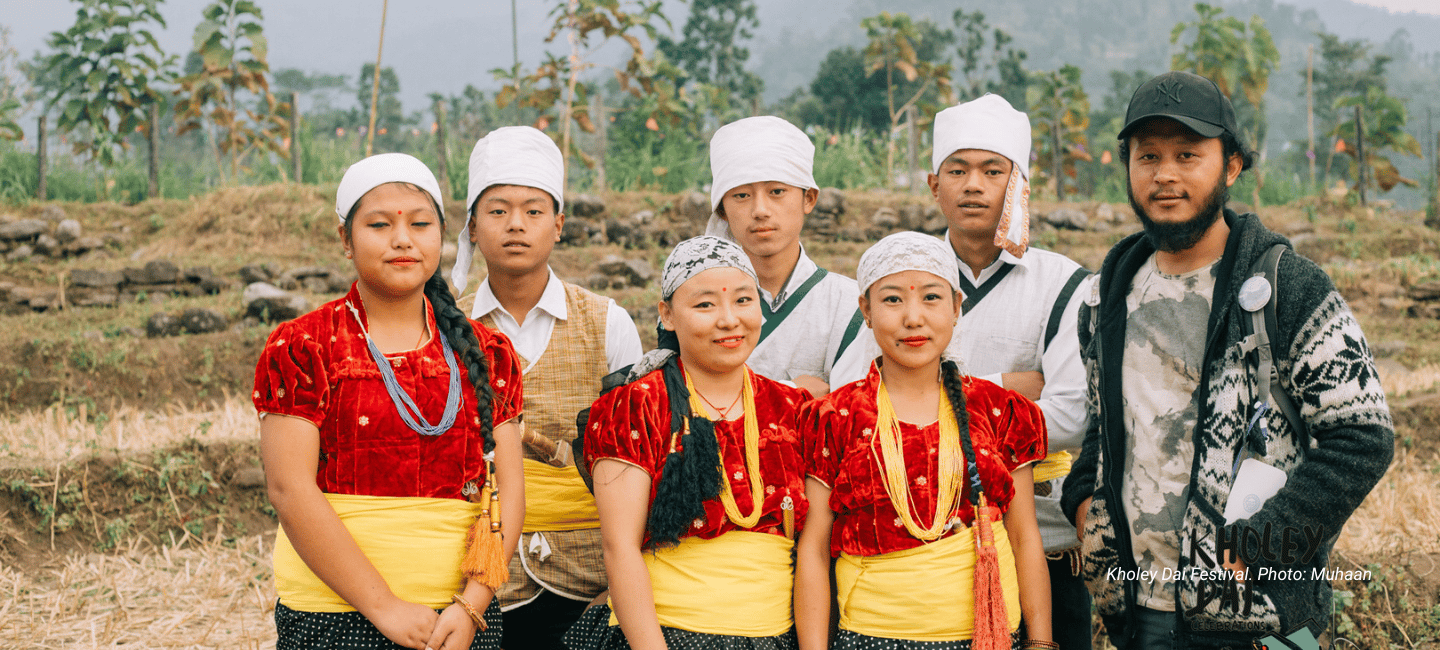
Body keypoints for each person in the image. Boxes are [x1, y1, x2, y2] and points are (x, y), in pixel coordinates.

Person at [1059, 71, 1394, 647]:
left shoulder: (1287, 286)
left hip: (1258, 618)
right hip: (1138, 612)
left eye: (1187, 154)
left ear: (1231, 166)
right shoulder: (1104, 295)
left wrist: (1264, 542)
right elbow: (1103, 427)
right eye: (1148, 156)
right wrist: (1086, 505)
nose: (1165, 174)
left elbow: (1363, 436)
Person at [830, 94, 1094, 648]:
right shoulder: (905, 273)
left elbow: (1069, 417)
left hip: (1042, 553)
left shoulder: (1065, 285)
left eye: (992, 170)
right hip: (900, 572)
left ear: (1018, 182)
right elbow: (849, 399)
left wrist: (936, 392)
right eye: (958, 169)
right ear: (934, 184)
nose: (973, 184)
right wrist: (1014, 390)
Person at [254, 153, 525, 650]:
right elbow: (288, 489)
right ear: (345, 239)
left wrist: (470, 607)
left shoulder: (488, 353)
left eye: (420, 224)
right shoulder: (303, 346)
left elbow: (508, 495)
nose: (403, 239)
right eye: (380, 224)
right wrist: (385, 608)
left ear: (441, 236)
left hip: (460, 621)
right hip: (334, 613)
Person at [797, 231, 1054, 650]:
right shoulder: (834, 418)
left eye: (931, 298)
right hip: (871, 638)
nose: (913, 318)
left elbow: (1025, 535)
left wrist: (1041, 644)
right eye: (893, 299)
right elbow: (813, 549)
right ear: (865, 309)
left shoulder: (1000, 411)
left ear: (956, 307)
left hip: (988, 636)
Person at [566, 235, 817, 650]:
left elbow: (813, 551)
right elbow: (619, 548)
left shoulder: (795, 409)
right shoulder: (635, 407)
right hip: (662, 636)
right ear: (666, 314)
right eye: (705, 304)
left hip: (775, 638)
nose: (729, 320)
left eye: (743, 300)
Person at [450, 126, 644, 650]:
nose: (516, 224)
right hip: (473, 571)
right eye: (497, 211)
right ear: (471, 227)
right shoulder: (444, 328)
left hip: (591, 573)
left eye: (534, 211)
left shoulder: (607, 324)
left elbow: (636, 458)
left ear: (558, 225)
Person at [705, 115, 866, 396]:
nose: (760, 210)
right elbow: (686, 397)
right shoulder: (696, 303)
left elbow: (852, 410)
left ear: (809, 199)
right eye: (741, 195)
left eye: (777, 191)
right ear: (722, 210)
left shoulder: (850, 305)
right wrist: (793, 392)